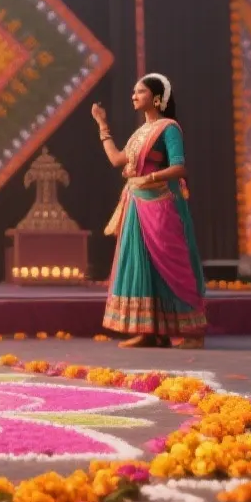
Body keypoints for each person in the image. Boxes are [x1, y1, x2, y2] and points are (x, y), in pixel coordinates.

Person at [91, 74, 207, 349]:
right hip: (136, 204)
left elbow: (179, 167)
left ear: (156, 98)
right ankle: (150, 331)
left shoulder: (169, 128)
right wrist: (102, 125)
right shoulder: (140, 132)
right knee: (142, 265)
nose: (133, 95)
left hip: (161, 205)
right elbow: (117, 159)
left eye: (139, 92)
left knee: (170, 264)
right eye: (133, 91)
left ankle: (192, 332)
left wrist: (150, 179)